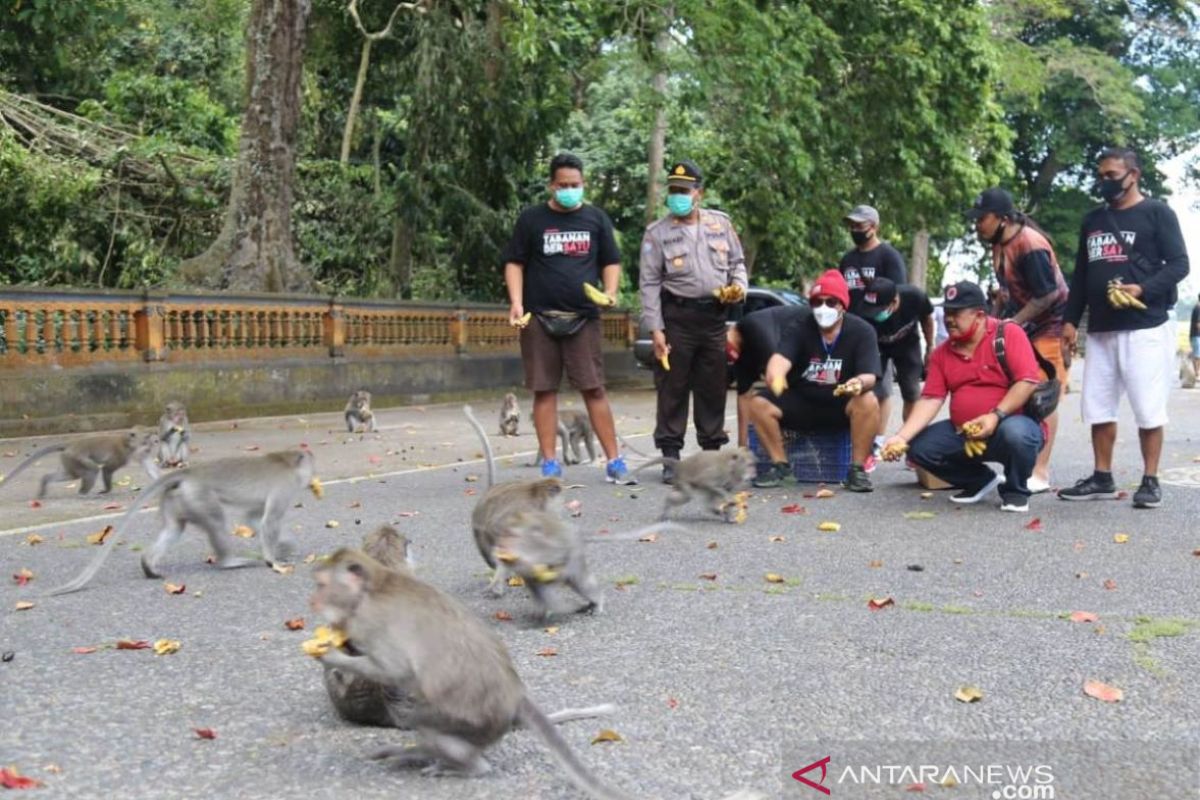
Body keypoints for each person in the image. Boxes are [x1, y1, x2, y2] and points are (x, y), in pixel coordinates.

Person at [1059, 147, 1190, 509]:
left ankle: (1150, 479)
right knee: (1098, 407)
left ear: (1133, 175)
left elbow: (1180, 264)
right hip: (1101, 329)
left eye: (1111, 176)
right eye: (1100, 175)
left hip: (1144, 326)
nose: (1104, 182)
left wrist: (1142, 289)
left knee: (1148, 408)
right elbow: (1082, 275)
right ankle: (1102, 476)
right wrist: (1070, 320)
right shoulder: (1093, 220)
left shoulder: (1157, 213)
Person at [502, 152, 635, 483]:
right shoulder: (532, 220)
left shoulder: (596, 219)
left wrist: (611, 291)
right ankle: (550, 462)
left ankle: (614, 460)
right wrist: (516, 302)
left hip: (583, 317)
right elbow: (514, 262)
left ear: (583, 184)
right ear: (551, 185)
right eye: (563, 185)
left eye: (575, 185)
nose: (569, 190)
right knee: (544, 390)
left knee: (594, 388)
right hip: (539, 317)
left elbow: (611, 260)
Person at [881, 281, 1045, 512]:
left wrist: (995, 416)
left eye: (956, 313)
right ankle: (979, 481)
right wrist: (901, 437)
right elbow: (931, 399)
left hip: (1009, 424)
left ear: (979, 315)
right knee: (919, 449)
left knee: (1017, 434)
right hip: (964, 431)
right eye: (946, 312)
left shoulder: (1008, 333)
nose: (948, 319)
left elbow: (1026, 381)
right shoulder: (942, 353)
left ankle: (1015, 490)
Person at [639, 159, 748, 483]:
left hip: (714, 318)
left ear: (699, 192)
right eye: (673, 190)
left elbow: (737, 263)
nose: (678, 195)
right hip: (677, 319)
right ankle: (670, 457)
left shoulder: (720, 225)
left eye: (684, 190)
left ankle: (712, 455)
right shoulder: (657, 233)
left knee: (712, 387)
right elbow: (649, 283)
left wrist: (739, 287)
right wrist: (655, 329)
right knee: (672, 388)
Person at [968, 188, 1070, 494]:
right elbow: (1008, 292)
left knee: (1043, 396)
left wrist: (1012, 324)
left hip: (1050, 326)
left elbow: (1047, 294)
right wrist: (996, 319)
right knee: (1017, 391)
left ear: (1002, 218)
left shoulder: (1030, 245)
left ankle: (1040, 471)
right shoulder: (999, 244)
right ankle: (1021, 466)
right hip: (1025, 326)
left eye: (981, 219)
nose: (977, 226)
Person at [749, 269, 881, 492]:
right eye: (817, 302)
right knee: (758, 403)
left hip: (841, 403)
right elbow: (780, 359)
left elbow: (870, 374)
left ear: (842, 306)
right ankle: (781, 467)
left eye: (831, 302)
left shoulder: (862, 331)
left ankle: (857, 470)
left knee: (868, 401)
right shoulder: (800, 327)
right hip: (802, 401)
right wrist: (776, 373)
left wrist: (858, 383)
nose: (823, 308)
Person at [856, 277, 935, 460]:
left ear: (895, 301)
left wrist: (930, 347)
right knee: (874, 393)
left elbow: (927, 319)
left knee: (912, 392)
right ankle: (872, 445)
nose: (875, 314)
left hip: (908, 345)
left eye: (880, 310)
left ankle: (911, 444)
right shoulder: (863, 309)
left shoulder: (915, 297)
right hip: (878, 347)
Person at [726, 303, 811, 448]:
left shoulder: (753, 327)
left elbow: (778, 375)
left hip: (812, 329)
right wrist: (742, 446)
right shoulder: (741, 354)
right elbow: (744, 397)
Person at [838, 204, 908, 312]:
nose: (855, 230)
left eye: (859, 226)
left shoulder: (889, 256)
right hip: (852, 323)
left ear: (874, 227)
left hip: (880, 323)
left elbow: (899, 295)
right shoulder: (847, 259)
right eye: (852, 226)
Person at [1191, 292, 1200, 376]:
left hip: (1196, 335)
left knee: (1197, 354)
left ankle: (1197, 373)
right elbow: (1198, 324)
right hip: (1196, 335)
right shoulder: (1198, 308)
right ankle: (1196, 373)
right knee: (1197, 356)